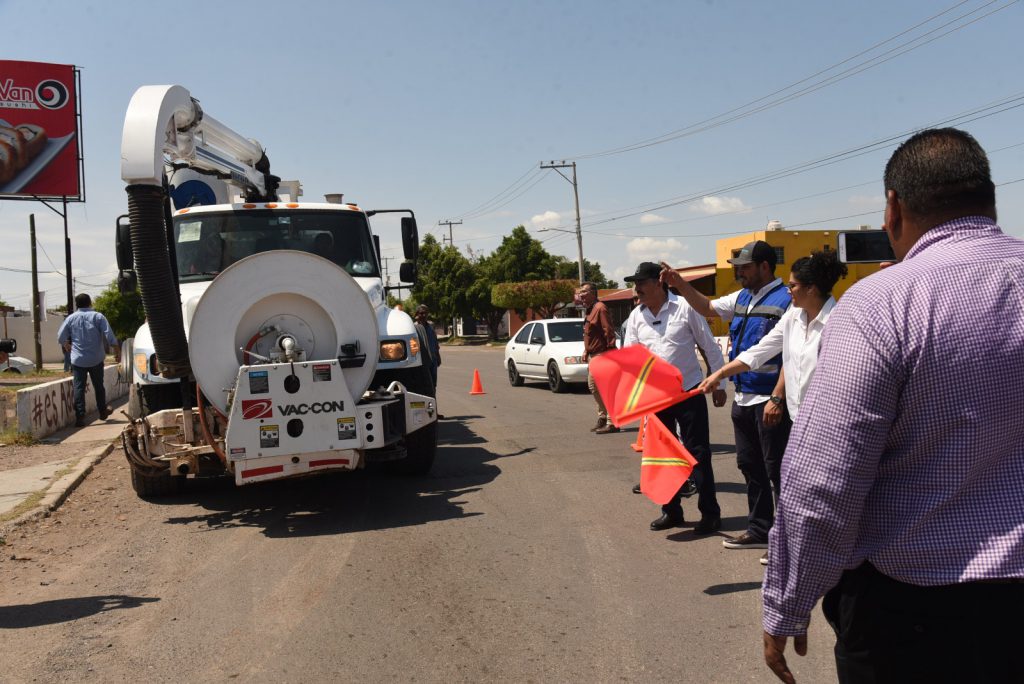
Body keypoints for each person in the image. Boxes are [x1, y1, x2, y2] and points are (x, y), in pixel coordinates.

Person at [761, 128, 1024, 684]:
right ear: (989, 199)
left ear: (895, 208)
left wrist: (790, 598)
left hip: (915, 615)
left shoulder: (883, 304)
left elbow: (824, 480)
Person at [696, 249, 846, 564]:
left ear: (812, 289)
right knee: (792, 482)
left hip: (827, 423)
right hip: (798, 418)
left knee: (818, 487)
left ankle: (823, 548)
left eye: (793, 285)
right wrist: (720, 374)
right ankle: (790, 544)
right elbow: (759, 352)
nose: (787, 290)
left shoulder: (837, 322)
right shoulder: (793, 317)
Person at [662, 241, 792, 551]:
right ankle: (760, 529)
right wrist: (680, 285)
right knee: (750, 466)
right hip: (744, 396)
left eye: (745, 267)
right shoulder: (743, 297)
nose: (739, 273)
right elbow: (707, 308)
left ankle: (787, 539)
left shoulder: (787, 299)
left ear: (764, 266)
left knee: (778, 471)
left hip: (770, 400)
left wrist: (777, 396)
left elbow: (791, 353)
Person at [622, 262, 727, 533]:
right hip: (656, 400)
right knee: (662, 457)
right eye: (635, 283)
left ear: (659, 283)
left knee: (698, 455)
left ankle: (710, 514)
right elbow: (631, 359)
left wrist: (720, 384)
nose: (637, 289)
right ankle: (671, 511)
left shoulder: (685, 307)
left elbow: (708, 346)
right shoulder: (636, 316)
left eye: (641, 283)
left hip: (688, 393)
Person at [57, 293, 120, 427]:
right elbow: (109, 335)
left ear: (77, 304)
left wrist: (66, 345)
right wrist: (117, 351)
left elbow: (60, 336)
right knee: (99, 386)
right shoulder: (98, 316)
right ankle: (102, 411)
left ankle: (80, 417)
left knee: (79, 388)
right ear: (90, 302)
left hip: (78, 360)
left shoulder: (70, 318)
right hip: (96, 359)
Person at [578, 282, 618, 434]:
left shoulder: (600, 308)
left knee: (596, 387)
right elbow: (591, 334)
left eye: (584, 291)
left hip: (603, 354)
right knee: (597, 388)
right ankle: (603, 417)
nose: (581, 295)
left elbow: (608, 330)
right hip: (593, 354)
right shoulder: (589, 310)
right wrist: (585, 351)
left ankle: (612, 421)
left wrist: (611, 351)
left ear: (593, 293)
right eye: (580, 292)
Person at [414, 304, 441, 390]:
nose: (424, 315)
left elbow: (435, 341)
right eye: (421, 313)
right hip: (420, 361)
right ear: (417, 314)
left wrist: (438, 356)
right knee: (422, 385)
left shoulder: (431, 326)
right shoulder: (413, 327)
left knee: (433, 384)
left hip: (433, 360)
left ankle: (433, 400)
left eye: (425, 313)